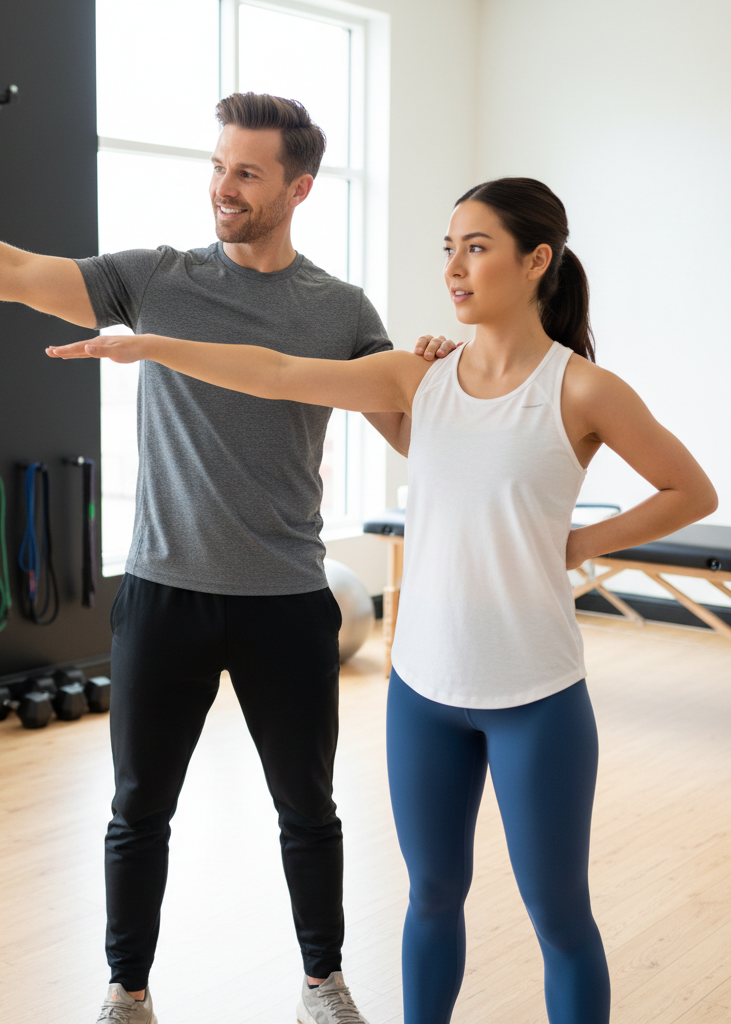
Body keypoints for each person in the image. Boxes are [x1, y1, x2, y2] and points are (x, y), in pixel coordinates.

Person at [0, 93, 455, 1024]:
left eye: (248, 173)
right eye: (218, 166)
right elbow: (10, 270)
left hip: (287, 600)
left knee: (308, 809)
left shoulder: (339, 310)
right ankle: (127, 992)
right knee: (139, 810)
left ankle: (320, 983)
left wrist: (433, 370)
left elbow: (412, 436)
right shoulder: (158, 278)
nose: (224, 187)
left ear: (299, 188)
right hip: (165, 593)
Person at [48, 176, 719, 1023]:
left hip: (537, 696)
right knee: (431, 898)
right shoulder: (417, 378)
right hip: (424, 694)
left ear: (536, 261)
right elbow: (279, 373)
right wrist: (153, 347)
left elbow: (690, 491)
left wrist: (580, 544)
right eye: (449, 249)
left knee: (559, 917)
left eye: (477, 248)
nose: (454, 267)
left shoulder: (582, 389)